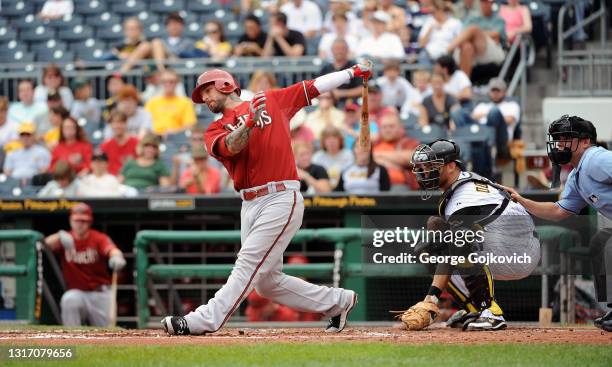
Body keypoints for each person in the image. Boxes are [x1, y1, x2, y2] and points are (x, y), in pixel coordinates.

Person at [161, 64, 369, 335]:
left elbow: (315, 86)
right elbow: (232, 146)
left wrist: (352, 72)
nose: (206, 98)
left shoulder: (272, 100)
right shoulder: (213, 130)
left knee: (247, 262)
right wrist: (248, 122)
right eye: (202, 95)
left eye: (208, 90)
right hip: (248, 202)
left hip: (280, 196)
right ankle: (338, 302)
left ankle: (204, 319)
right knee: (267, 283)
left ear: (225, 85)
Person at [396, 139, 540, 331]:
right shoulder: (460, 184)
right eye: (423, 166)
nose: (425, 172)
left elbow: (455, 245)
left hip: (519, 249)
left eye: (431, 166)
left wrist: (432, 297)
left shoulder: (465, 195)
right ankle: (474, 309)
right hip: (506, 242)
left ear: (451, 166)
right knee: (436, 235)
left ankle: (490, 312)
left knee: (454, 239)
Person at [501, 116, 612, 332]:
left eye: (566, 138)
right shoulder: (576, 176)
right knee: (601, 240)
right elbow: (558, 211)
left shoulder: (596, 158)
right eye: (558, 139)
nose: (560, 144)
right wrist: (522, 201)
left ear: (585, 141)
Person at [43, 203, 126, 326]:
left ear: (89, 222)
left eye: (83, 221)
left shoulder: (98, 238)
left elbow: (112, 249)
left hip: (100, 292)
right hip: (77, 293)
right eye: (77, 220)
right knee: (69, 299)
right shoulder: (65, 238)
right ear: (71, 221)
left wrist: (117, 256)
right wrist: (58, 236)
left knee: (107, 333)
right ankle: (72, 339)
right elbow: (42, 246)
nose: (80, 224)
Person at [453, 78, 518, 160]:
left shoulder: (511, 105)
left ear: (504, 92)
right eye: (493, 91)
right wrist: (485, 115)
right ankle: (463, 149)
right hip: (479, 132)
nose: (495, 93)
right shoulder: (482, 105)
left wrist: (486, 115)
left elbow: (509, 120)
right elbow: (472, 117)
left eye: (498, 91)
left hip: (500, 137)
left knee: (494, 112)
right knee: (457, 113)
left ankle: (491, 148)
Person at [447, 0, 506, 77]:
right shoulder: (473, 17)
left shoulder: (499, 19)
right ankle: (464, 83)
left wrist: (477, 33)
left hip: (492, 50)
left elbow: (495, 34)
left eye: (487, 2)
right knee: (467, 46)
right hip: (473, 49)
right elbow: (463, 32)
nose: (484, 4)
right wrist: (476, 34)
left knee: (474, 29)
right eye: (482, 2)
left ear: (492, 3)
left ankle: (448, 50)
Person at [373, 112, 420, 191]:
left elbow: (413, 158)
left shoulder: (408, 142)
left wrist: (376, 155)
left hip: (399, 186)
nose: (387, 130)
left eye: (391, 126)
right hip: (374, 185)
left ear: (400, 128)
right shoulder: (375, 144)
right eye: (384, 127)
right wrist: (397, 164)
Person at [144, 69, 196, 135]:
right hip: (154, 138)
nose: (168, 84)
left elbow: (190, 126)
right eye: (164, 81)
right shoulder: (152, 102)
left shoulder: (185, 102)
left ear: (177, 83)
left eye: (171, 81)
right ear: (160, 83)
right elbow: (145, 125)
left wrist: (173, 132)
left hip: (176, 139)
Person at [318, 38, 362, 104]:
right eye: (336, 48)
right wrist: (330, 94)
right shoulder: (326, 68)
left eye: (342, 48)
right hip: (328, 103)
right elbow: (316, 88)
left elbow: (363, 89)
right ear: (331, 51)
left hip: (350, 104)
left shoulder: (355, 67)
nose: (339, 51)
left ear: (347, 50)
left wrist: (341, 93)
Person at [100, 111, 139, 176]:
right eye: (114, 123)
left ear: (126, 123)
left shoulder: (136, 143)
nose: (117, 126)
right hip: (111, 179)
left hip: (131, 178)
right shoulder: (105, 145)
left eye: (120, 122)